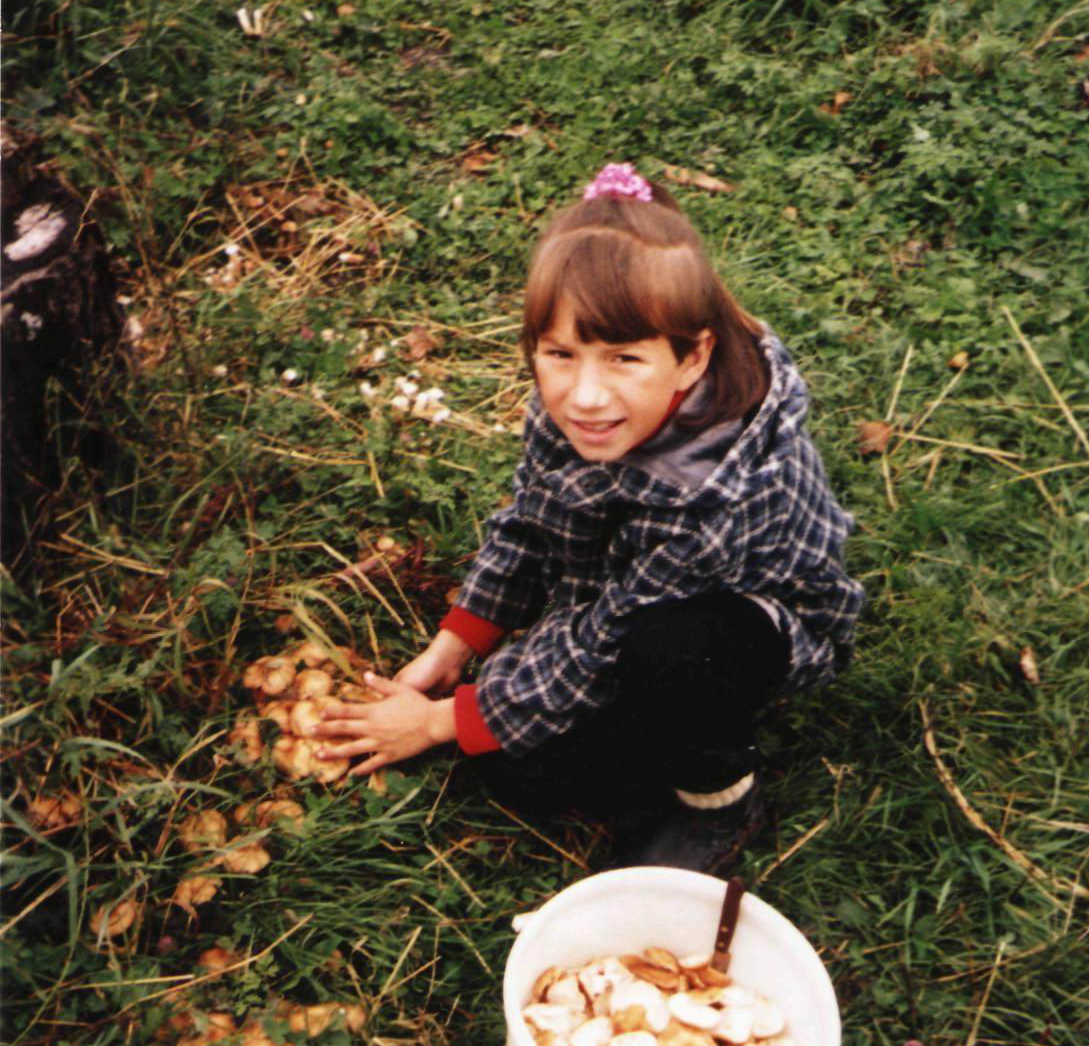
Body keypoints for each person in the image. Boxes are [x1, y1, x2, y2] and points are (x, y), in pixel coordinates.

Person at [317, 162, 864, 873]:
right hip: (627, 596)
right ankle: (632, 742)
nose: (584, 394)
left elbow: (605, 637)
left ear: (692, 357)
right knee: (520, 770)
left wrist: (436, 721)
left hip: (747, 625)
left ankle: (719, 800)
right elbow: (528, 518)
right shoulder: (579, 409)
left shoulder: (712, 490)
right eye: (560, 355)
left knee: (666, 651)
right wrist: (452, 649)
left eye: (624, 358)